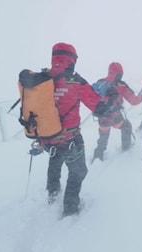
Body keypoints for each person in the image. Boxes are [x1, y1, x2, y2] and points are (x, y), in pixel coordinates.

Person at [38, 42, 109, 218]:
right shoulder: (75, 81)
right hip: (69, 138)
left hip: (47, 137)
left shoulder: (43, 79)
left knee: (55, 159)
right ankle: (70, 208)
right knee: (78, 171)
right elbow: (98, 106)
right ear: (71, 60)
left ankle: (52, 193)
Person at [92, 62, 142, 163]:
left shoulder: (100, 82)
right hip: (115, 116)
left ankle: (98, 156)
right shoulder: (121, 85)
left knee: (103, 135)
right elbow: (134, 101)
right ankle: (126, 149)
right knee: (126, 126)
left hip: (102, 117)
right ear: (120, 73)